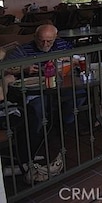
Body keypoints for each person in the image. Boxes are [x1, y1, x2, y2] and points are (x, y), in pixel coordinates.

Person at [5, 24, 77, 182]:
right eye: (41, 41)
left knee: (79, 94)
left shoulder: (62, 44)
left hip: (60, 85)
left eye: (49, 42)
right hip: (35, 90)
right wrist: (23, 68)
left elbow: (76, 57)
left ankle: (64, 127)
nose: (45, 45)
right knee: (38, 110)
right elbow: (6, 67)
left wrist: (70, 60)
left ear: (55, 39)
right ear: (35, 38)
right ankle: (37, 148)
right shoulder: (24, 50)